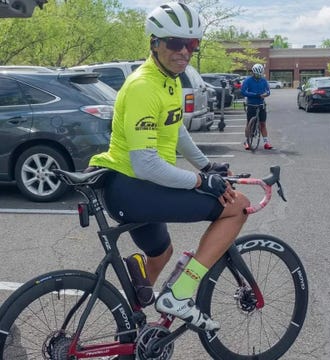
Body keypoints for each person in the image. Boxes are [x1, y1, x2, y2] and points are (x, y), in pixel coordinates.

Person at [88, 2, 249, 331]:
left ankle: (131, 327)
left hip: (137, 188)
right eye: (176, 43)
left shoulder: (170, 80)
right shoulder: (143, 86)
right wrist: (201, 181)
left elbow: (176, 129)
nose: (184, 52)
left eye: (191, 44)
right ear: (155, 43)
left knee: (161, 253)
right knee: (238, 208)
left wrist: (208, 165)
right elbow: (146, 164)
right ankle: (181, 294)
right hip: (133, 187)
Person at [241, 63, 272, 150]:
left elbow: (268, 91)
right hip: (251, 104)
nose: (258, 76)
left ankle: (266, 142)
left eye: (260, 74)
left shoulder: (263, 80)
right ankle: (247, 141)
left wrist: (266, 94)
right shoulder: (248, 80)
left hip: (261, 105)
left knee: (263, 124)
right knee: (249, 123)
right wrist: (255, 95)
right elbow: (243, 92)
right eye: (257, 74)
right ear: (253, 73)